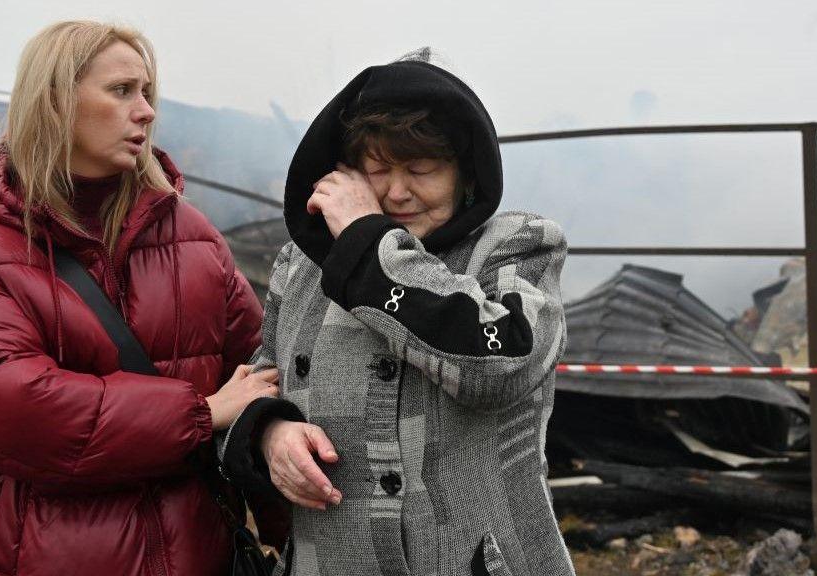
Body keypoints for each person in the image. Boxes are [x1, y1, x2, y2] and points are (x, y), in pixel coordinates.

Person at [0, 21, 282, 576]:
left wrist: (287, 534)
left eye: (147, 94)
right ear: (54, 100)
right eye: (121, 91)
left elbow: (265, 380)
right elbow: (16, 412)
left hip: (196, 556)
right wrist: (201, 414)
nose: (144, 111)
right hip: (29, 558)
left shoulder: (195, 240)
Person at [221, 54, 575, 575]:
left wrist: (367, 242)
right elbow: (259, 381)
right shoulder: (301, 265)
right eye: (378, 170)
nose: (397, 192)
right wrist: (269, 433)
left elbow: (499, 366)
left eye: (421, 169)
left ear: (464, 173)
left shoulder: (516, 248)